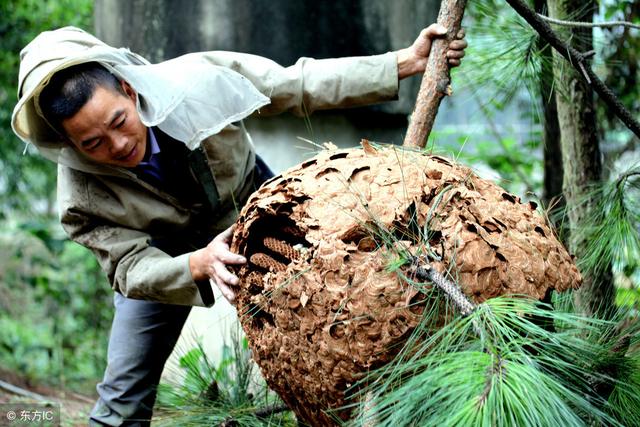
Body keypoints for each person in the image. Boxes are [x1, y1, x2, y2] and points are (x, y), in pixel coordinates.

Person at [12, 24, 466, 426]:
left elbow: (295, 84)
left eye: (119, 122)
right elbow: (129, 268)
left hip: (254, 207)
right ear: (68, 144)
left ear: (130, 92)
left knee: (344, 312)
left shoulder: (198, 81)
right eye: (92, 142)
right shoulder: (78, 196)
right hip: (168, 259)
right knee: (122, 397)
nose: (118, 144)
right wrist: (196, 263)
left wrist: (402, 63)